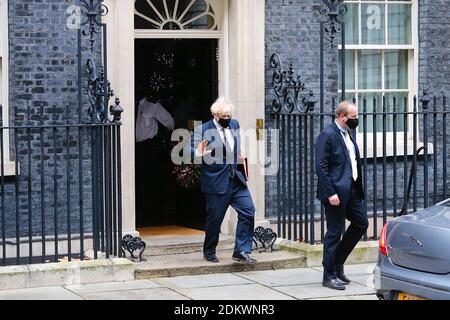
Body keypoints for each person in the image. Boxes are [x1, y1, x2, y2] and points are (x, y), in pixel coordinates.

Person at [191, 96, 256, 264]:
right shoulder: (204, 129)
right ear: (216, 115)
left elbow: (234, 146)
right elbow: (190, 148)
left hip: (236, 179)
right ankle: (209, 250)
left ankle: (241, 250)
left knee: (248, 211)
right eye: (224, 117)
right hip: (216, 182)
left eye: (229, 116)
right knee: (215, 219)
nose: (228, 119)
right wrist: (199, 152)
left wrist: (238, 156)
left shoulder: (234, 125)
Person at [315, 100, 369, 290]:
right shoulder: (327, 135)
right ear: (342, 116)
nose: (356, 120)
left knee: (362, 223)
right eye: (353, 117)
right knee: (334, 232)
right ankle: (328, 276)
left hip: (352, 189)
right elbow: (321, 166)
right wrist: (330, 193)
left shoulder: (348, 132)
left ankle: (337, 264)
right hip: (335, 192)